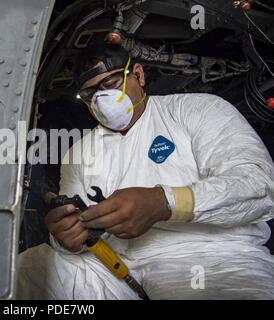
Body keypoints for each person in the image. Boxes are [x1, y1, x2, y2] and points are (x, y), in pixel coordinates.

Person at [17, 43, 274, 299]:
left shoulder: (197, 110)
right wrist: (65, 239)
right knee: (31, 270)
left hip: (212, 257)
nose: (101, 99)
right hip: (115, 268)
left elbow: (258, 185)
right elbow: (76, 231)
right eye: (89, 93)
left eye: (110, 83)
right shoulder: (79, 153)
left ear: (138, 75)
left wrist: (163, 203)